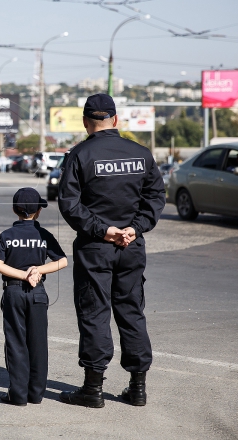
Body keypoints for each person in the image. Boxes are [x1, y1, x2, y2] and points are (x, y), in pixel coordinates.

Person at [57, 93, 166, 408]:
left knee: (94, 314)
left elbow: (69, 203)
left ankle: (92, 390)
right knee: (132, 312)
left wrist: (102, 229)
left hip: (96, 248)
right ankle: (138, 388)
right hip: (131, 246)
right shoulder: (141, 153)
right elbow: (156, 194)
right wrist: (136, 227)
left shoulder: (79, 154)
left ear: (85, 122)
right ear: (116, 120)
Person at [0, 187, 68, 406]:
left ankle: (18, 395)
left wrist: (23, 275)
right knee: (38, 343)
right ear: (38, 212)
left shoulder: (7, 235)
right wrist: (37, 271)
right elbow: (62, 261)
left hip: (14, 291)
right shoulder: (44, 235)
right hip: (38, 292)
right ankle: (36, 394)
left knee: (16, 343)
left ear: (15, 210)